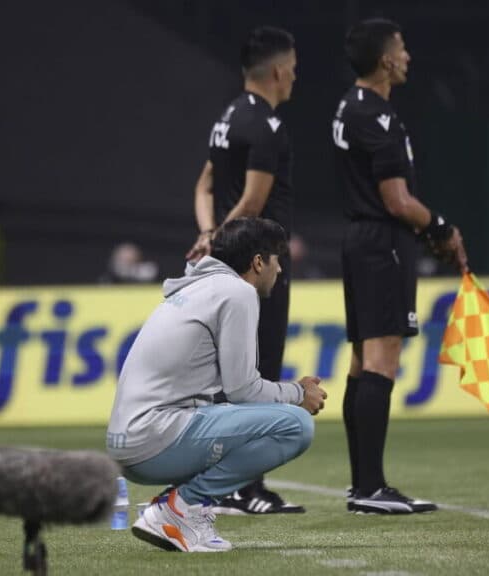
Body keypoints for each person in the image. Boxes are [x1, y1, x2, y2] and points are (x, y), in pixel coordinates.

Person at [108, 217, 327, 552]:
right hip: (152, 440)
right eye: (276, 259)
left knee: (225, 412)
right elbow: (244, 390)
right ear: (258, 262)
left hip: (130, 442)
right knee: (295, 425)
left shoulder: (198, 286)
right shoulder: (237, 292)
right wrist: (298, 393)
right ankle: (181, 507)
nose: (280, 269)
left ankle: (176, 509)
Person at [333, 19, 468, 514]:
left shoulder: (349, 105)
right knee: (380, 361)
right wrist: (441, 228)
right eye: (402, 49)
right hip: (382, 244)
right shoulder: (378, 117)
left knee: (361, 362)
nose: (408, 56)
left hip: (360, 240)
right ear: (386, 60)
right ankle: (371, 488)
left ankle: (362, 486)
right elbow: (397, 200)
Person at [185, 26, 303, 515]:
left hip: (226, 265)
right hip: (258, 265)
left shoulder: (228, 117)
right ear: (276, 71)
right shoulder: (267, 126)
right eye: (292, 69)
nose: (294, 78)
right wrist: (219, 238)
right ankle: (247, 489)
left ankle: (222, 484)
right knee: (258, 373)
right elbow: (254, 202)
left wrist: (207, 234)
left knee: (227, 376)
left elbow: (204, 186)